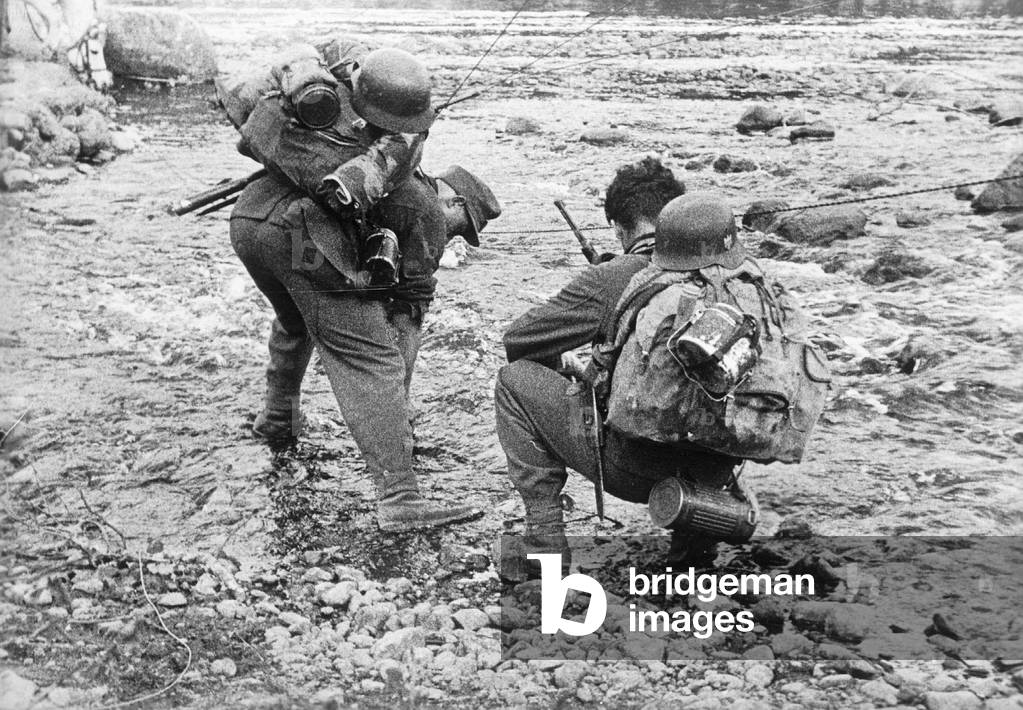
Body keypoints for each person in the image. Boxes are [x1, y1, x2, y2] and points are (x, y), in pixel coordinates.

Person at [229, 44, 501, 532]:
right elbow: (406, 321)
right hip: (301, 240)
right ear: (456, 198)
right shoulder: (423, 207)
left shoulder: (344, 135)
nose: (461, 230)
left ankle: (277, 418)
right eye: (467, 220)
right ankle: (400, 496)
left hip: (251, 225)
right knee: (368, 356)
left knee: (297, 319)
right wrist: (399, 412)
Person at [495, 159, 763, 577]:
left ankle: (544, 543)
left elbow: (519, 340)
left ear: (621, 229)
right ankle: (693, 551)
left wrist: (573, 362)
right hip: (716, 472)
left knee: (513, 383)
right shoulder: (738, 278)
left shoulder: (617, 275)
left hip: (635, 471)